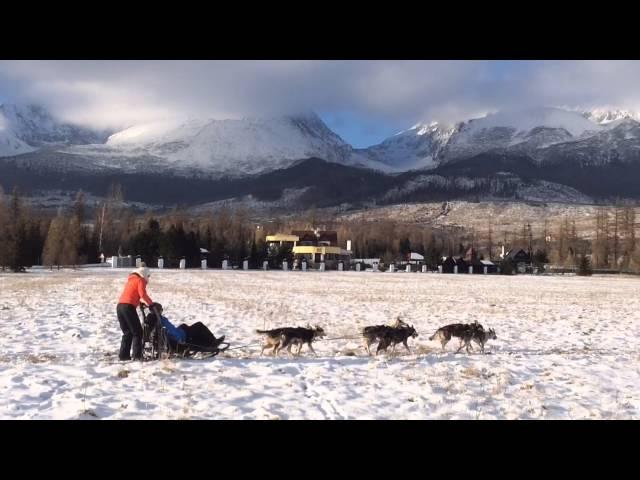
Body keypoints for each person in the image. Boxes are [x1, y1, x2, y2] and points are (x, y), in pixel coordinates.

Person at [145, 303, 225, 354]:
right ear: (158, 311)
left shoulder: (151, 319)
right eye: (161, 310)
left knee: (184, 326)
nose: (162, 311)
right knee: (199, 326)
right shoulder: (161, 320)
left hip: (179, 333)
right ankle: (213, 342)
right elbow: (171, 331)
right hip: (181, 338)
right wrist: (180, 340)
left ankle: (209, 343)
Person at [116, 263, 154, 361]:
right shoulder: (140, 280)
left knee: (127, 332)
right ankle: (137, 356)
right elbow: (142, 294)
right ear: (144, 274)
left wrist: (139, 303)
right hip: (128, 307)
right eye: (148, 276)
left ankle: (123, 355)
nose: (148, 278)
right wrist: (151, 304)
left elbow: (131, 294)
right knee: (137, 332)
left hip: (120, 306)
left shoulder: (131, 280)